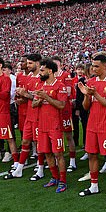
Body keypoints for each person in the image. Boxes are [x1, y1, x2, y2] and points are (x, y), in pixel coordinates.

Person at [77, 53, 106, 204]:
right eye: (92, 66)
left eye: (97, 66)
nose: (93, 68)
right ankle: (94, 185)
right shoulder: (90, 81)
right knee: (91, 154)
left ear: (105, 65)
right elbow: (86, 107)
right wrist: (86, 95)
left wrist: (95, 93)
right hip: (92, 124)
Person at [6, 53, 44, 179]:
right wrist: (21, 97)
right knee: (25, 141)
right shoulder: (29, 78)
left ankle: (40, 168)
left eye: (30, 63)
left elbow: (41, 99)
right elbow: (28, 97)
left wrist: (26, 95)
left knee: (39, 143)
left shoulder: (43, 78)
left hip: (39, 116)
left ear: (37, 63)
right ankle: (19, 169)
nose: (27, 65)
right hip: (29, 115)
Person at [34, 59, 69, 193]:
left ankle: (63, 181)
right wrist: (40, 98)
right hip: (42, 125)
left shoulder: (60, 86)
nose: (40, 73)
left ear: (50, 71)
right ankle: (54, 178)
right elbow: (33, 105)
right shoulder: (41, 85)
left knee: (58, 153)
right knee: (47, 153)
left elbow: (61, 105)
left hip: (55, 126)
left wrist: (46, 97)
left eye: (42, 70)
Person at [52, 56, 77, 174]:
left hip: (65, 109)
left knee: (68, 135)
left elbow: (67, 92)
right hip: (54, 110)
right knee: (56, 135)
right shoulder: (50, 77)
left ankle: (72, 161)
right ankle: (58, 159)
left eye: (56, 64)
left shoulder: (65, 75)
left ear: (60, 65)